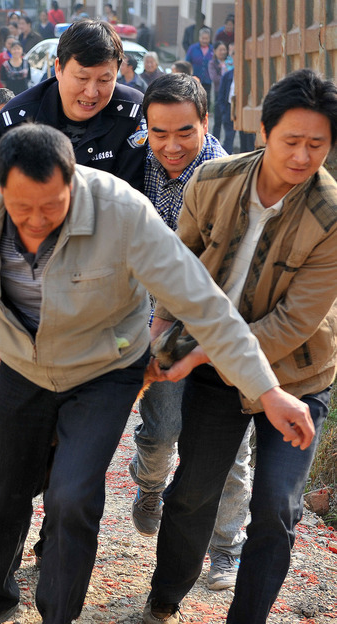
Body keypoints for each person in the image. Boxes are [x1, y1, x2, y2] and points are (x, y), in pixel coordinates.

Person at [0, 121, 314, 624]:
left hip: (106, 370)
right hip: (23, 365)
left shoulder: (123, 212)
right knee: (5, 490)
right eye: (22, 209)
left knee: (72, 497)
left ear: (73, 184)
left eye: (51, 207)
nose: (36, 222)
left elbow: (207, 305)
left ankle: (59, 615)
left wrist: (268, 390)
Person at [143, 68, 337, 624]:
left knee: (277, 508)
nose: (302, 157)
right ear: (264, 132)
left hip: (295, 379)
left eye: (316, 146)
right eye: (291, 142)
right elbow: (176, 266)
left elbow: (297, 319)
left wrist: (204, 351)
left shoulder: (330, 214)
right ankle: (166, 596)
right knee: (193, 493)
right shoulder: (213, 181)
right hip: (211, 372)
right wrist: (161, 332)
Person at [130, 74, 250, 592]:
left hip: (219, 324)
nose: (171, 145)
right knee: (161, 433)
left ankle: (228, 548)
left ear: (206, 123)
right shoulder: (136, 159)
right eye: (160, 133)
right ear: (146, 129)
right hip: (156, 323)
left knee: (231, 452)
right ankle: (150, 485)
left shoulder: (229, 180)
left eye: (185, 132)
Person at [0, 19, 147, 189]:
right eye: (82, 78)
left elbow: (132, 196)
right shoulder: (16, 120)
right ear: (58, 68)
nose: (91, 92)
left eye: (104, 80)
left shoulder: (132, 114)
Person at [185, 27, 213, 99]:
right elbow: (187, 63)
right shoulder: (192, 48)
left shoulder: (212, 49)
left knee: (206, 98)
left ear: (209, 39)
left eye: (206, 38)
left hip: (208, 79)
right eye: (203, 38)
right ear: (199, 38)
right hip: (195, 78)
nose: (204, 40)